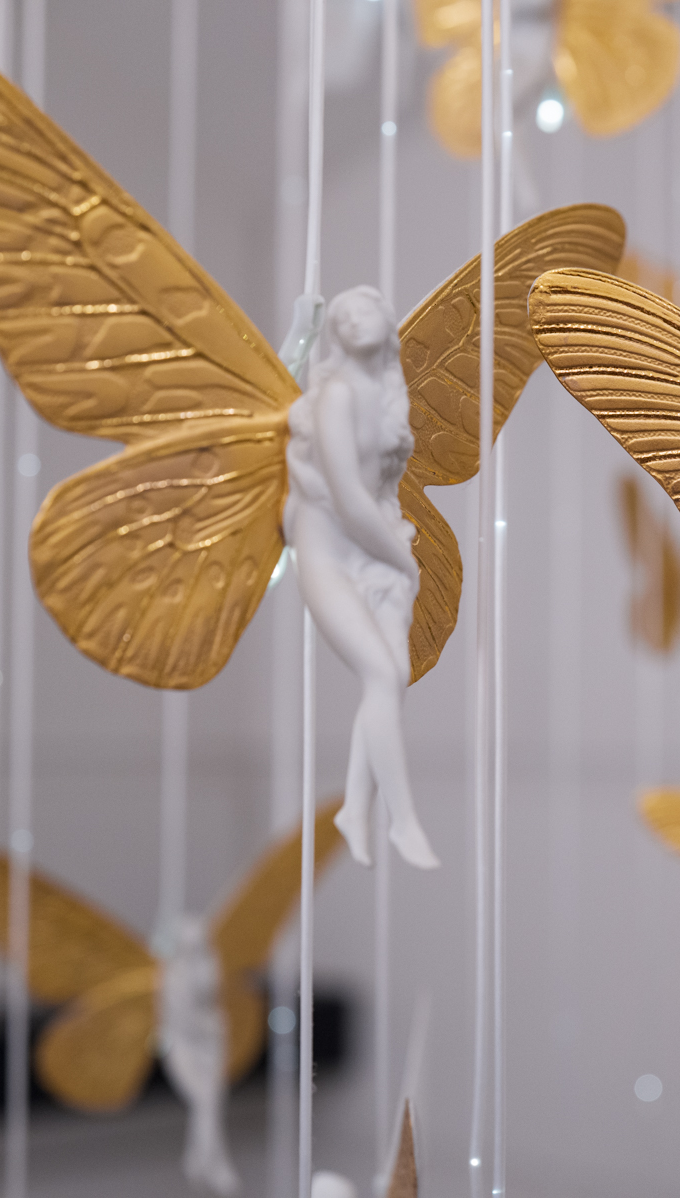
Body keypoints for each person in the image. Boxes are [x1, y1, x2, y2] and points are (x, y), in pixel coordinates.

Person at [285, 287, 438, 870]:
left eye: (363, 307)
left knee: (392, 677)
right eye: (341, 316)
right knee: (380, 673)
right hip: (329, 549)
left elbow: (377, 494)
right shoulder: (337, 395)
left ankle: (355, 807)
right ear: (336, 336)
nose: (352, 318)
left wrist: (395, 547)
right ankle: (402, 822)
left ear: (386, 319)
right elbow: (349, 499)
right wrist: (403, 561)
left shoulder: (386, 392)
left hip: (380, 543)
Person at [159, 918, 239, 1195]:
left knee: (211, 1100)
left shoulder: (208, 966)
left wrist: (212, 1026)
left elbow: (211, 1003)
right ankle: (213, 1163)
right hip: (183, 1045)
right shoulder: (172, 974)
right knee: (205, 1102)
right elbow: (180, 1017)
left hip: (212, 1043)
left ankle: (198, 1160)